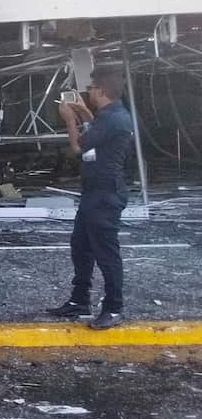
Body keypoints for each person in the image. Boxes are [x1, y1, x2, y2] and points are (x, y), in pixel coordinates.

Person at [47, 67, 135, 329]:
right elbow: (93, 129)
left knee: (106, 253)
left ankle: (114, 307)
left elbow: (78, 147)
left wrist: (68, 119)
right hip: (94, 193)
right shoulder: (109, 115)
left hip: (105, 195)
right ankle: (79, 299)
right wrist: (83, 113)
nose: (89, 93)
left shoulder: (113, 119)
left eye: (92, 89)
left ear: (100, 91)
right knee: (81, 247)